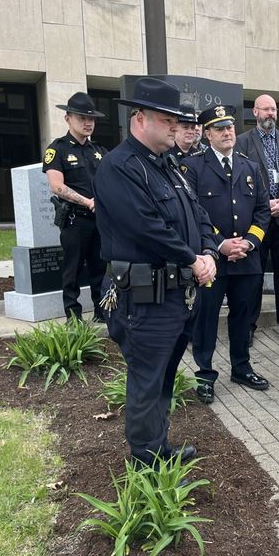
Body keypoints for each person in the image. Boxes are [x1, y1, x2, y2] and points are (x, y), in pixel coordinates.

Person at [92, 77, 218, 466]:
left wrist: (209, 251)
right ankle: (145, 464)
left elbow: (198, 214)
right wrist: (193, 260)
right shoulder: (119, 167)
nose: (175, 128)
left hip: (175, 297)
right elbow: (146, 228)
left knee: (163, 377)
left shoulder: (168, 166)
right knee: (147, 381)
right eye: (167, 120)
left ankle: (158, 447)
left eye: (177, 121)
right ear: (140, 118)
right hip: (144, 301)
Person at [183, 105, 271, 401]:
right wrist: (221, 243)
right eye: (219, 128)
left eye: (230, 127)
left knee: (243, 316)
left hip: (247, 258)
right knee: (207, 317)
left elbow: (262, 210)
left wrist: (249, 242)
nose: (226, 132)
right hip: (213, 259)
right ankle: (205, 374)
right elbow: (194, 212)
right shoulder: (193, 167)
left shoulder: (250, 167)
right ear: (207, 134)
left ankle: (241, 367)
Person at [236, 94, 279, 343]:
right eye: (266, 109)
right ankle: (249, 324)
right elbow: (239, 180)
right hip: (258, 221)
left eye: (274, 109)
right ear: (255, 112)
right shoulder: (243, 142)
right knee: (254, 274)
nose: (271, 114)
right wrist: (263, 205)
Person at [42, 92, 108, 321]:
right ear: (67, 118)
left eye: (91, 118)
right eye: (82, 118)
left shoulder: (99, 151)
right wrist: (87, 202)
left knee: (100, 268)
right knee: (73, 269)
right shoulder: (57, 149)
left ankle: (102, 312)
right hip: (75, 219)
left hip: (99, 219)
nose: (88, 123)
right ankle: (73, 316)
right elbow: (57, 186)